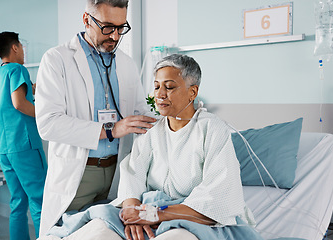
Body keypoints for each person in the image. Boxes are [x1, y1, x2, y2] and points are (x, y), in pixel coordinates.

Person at [38, 54, 263, 240]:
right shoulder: (152, 130)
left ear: (192, 92)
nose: (160, 94)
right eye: (156, 87)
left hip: (194, 215)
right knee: (98, 231)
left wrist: (155, 214)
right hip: (147, 210)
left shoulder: (213, 130)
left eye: (169, 87)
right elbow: (132, 174)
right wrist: (131, 209)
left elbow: (218, 197)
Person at [35, 0, 156, 237]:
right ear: (86, 20)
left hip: (117, 172)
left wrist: (175, 122)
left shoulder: (126, 63)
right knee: (69, 234)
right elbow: (48, 124)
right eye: (108, 27)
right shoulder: (56, 59)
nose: (115, 36)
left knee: (106, 234)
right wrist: (111, 129)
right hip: (79, 174)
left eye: (121, 28)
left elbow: (141, 112)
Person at [0, 31, 47, 240]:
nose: (24, 50)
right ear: (14, 47)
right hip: (24, 144)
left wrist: (32, 90)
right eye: (21, 46)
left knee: (17, 202)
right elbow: (18, 103)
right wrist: (45, 115)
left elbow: (9, 101)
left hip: (5, 147)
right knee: (41, 200)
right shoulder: (18, 69)